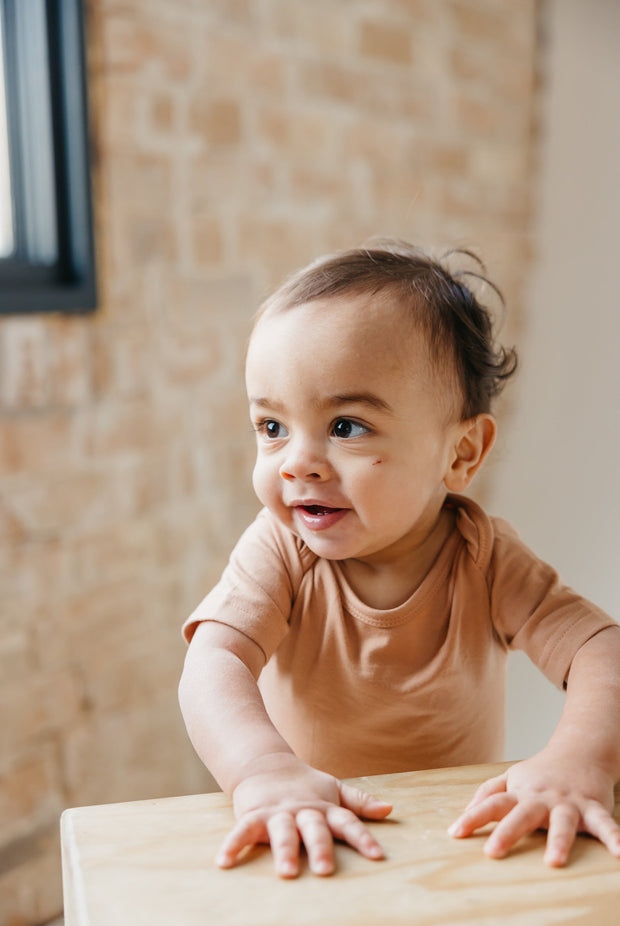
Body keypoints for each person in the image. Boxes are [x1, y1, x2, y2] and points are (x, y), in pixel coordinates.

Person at [178, 238, 620, 879]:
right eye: (271, 427)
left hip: (454, 838)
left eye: (346, 426)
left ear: (462, 452)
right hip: (311, 827)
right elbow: (212, 662)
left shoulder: (484, 558)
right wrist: (264, 772)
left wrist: (580, 761)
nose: (296, 461)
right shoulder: (283, 551)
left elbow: (598, 651)